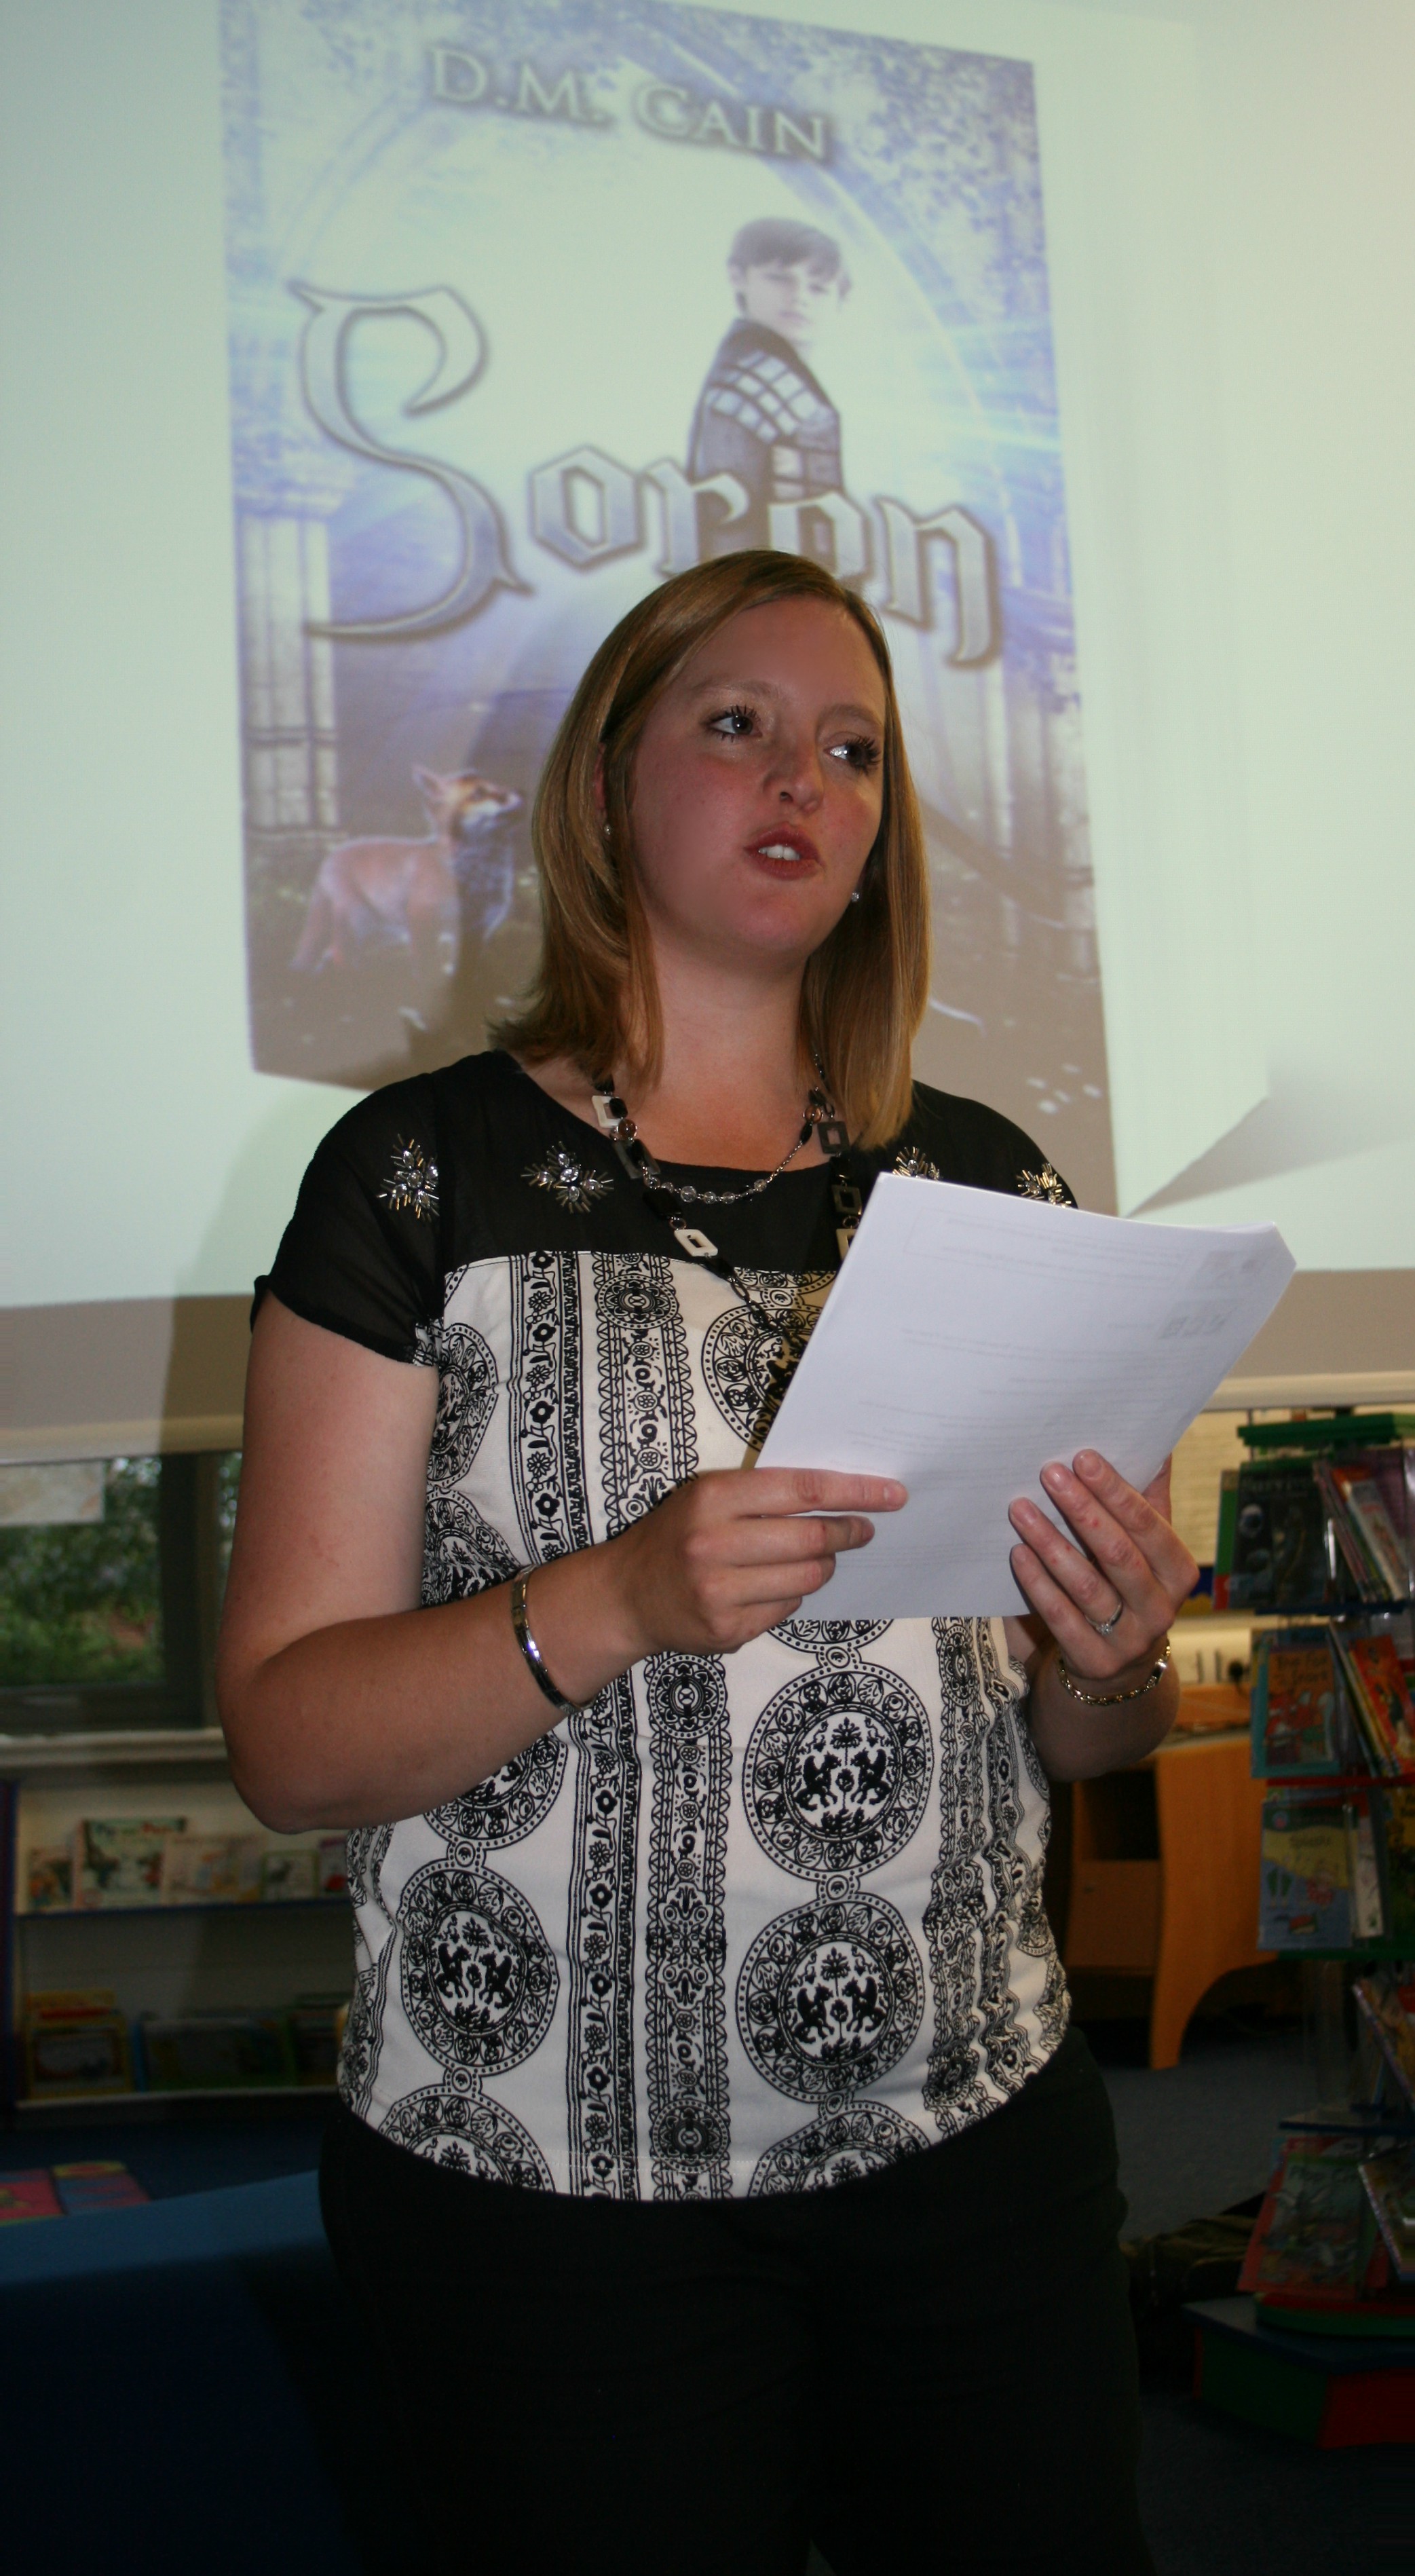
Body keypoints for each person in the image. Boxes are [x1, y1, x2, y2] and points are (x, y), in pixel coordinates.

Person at [218, 548, 1192, 2575]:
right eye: (734, 724)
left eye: (851, 750)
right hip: (541, 2192)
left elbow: (1084, 1736)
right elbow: (291, 1744)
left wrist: (1108, 1653)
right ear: (604, 787)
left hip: (968, 2142)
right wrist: (618, 1598)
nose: (800, 781)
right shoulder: (417, 1173)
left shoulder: (992, 1182)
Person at [688, 218, 848, 556]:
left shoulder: (756, 369)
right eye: (779, 279)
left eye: (818, 288)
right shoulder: (752, 379)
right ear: (738, 277)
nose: (799, 298)